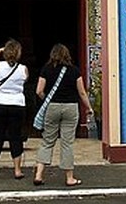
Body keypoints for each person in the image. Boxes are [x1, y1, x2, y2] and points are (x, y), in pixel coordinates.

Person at [33, 43, 93, 187]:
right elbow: (82, 92)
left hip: (52, 107)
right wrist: (89, 107)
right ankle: (69, 177)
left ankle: (39, 174)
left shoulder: (46, 69)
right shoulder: (74, 71)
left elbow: (38, 90)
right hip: (71, 107)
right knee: (67, 143)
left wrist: (47, 99)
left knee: (47, 141)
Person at [0, 39, 29, 180]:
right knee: (15, 137)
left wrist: (0, 50)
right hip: (17, 104)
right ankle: (17, 170)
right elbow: (25, 80)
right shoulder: (23, 69)